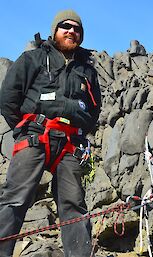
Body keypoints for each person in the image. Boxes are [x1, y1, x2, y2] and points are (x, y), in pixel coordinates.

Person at [0, 9, 101, 257]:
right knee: (15, 199)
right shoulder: (32, 59)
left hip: (69, 145)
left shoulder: (87, 72)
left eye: (77, 29)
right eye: (65, 26)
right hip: (35, 137)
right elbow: (8, 99)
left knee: (74, 207)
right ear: (54, 30)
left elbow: (95, 110)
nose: (71, 31)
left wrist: (80, 129)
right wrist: (26, 128)